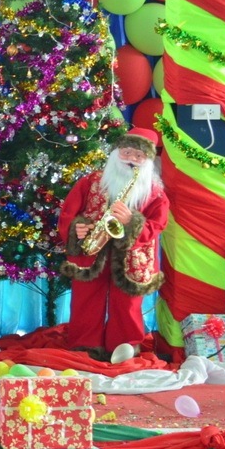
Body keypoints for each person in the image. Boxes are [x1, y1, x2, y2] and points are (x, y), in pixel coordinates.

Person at [59, 127, 168, 361]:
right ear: (116, 152)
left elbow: (158, 225)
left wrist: (132, 222)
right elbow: (68, 212)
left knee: (127, 305)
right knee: (85, 300)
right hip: (91, 251)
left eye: (139, 156)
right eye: (127, 152)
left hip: (132, 256)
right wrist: (76, 228)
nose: (131, 160)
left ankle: (125, 345)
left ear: (148, 160)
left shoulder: (155, 193)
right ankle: (85, 345)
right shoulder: (91, 181)